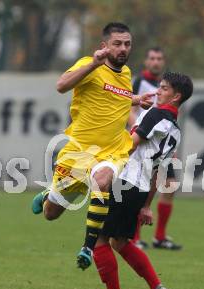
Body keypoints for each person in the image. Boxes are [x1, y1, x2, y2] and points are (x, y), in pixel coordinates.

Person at [31, 22, 154, 270]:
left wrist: (136, 99)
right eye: (117, 44)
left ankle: (87, 247)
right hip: (79, 152)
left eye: (127, 44)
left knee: (102, 181)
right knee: (51, 213)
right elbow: (61, 85)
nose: (122, 49)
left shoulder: (127, 73)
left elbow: (114, 95)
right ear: (104, 46)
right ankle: (48, 194)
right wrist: (93, 64)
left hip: (112, 150)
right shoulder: (90, 65)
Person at [90, 72, 193, 289]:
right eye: (159, 86)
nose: (158, 91)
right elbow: (159, 171)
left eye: (164, 88)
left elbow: (131, 143)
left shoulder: (156, 114)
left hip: (125, 182)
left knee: (98, 240)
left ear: (176, 96)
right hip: (141, 188)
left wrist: (105, 163)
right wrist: (146, 205)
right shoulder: (176, 131)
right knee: (121, 241)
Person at [130, 47, 182, 250]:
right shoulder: (138, 82)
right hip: (142, 142)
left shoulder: (169, 87)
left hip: (159, 144)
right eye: (152, 58)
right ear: (146, 61)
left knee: (169, 185)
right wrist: (142, 130)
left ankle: (159, 236)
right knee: (137, 186)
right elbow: (129, 108)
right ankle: (134, 237)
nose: (156, 62)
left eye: (159, 58)